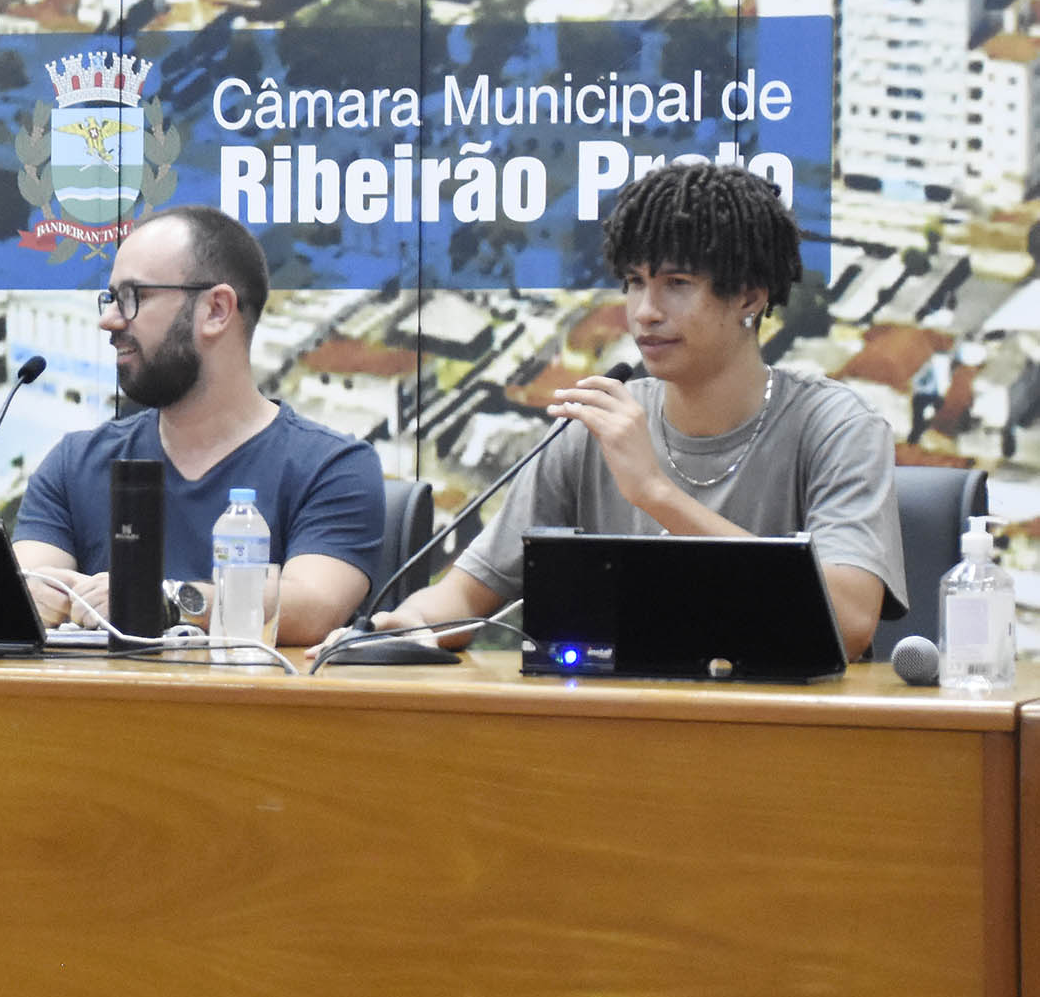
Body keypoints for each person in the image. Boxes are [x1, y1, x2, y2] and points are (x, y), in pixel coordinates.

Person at [343, 162, 904, 662]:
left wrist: (656, 493)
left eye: (676, 285)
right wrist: (404, 628)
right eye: (635, 283)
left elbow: (849, 624)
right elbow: (468, 594)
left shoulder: (838, 427)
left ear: (750, 297)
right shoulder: (599, 424)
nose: (645, 312)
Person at [11, 206, 383, 646]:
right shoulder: (75, 464)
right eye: (109, 298)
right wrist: (36, 594)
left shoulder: (332, 467)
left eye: (133, 297)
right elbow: (27, 584)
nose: (109, 320)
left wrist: (167, 600)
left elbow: (314, 608)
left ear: (216, 310)